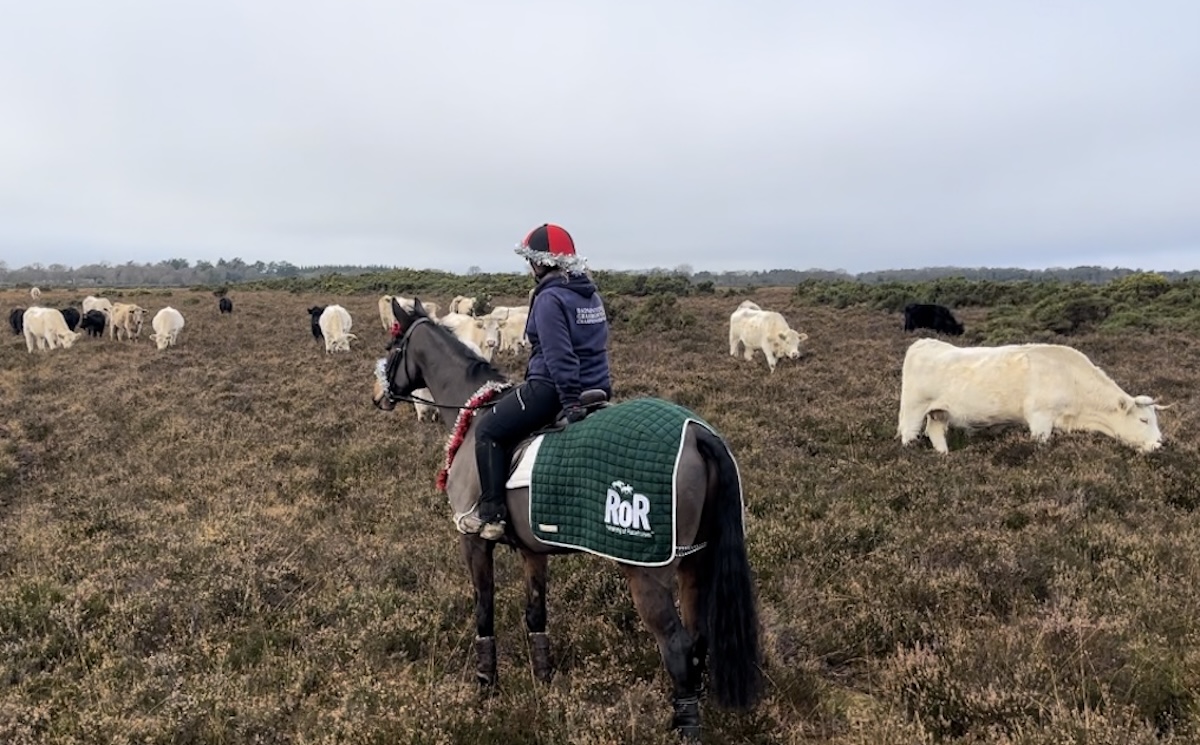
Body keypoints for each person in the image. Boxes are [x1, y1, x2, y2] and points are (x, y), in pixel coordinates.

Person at [471, 223, 613, 540]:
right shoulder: (590, 295)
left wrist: (570, 402)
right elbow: (598, 346)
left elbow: (559, 356)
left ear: (540, 262)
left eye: (530, 262)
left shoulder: (550, 298)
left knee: (487, 430)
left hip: (553, 389)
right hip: (598, 387)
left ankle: (493, 514)